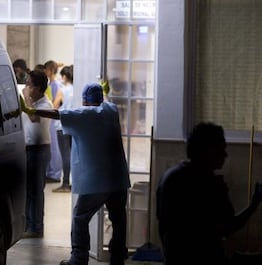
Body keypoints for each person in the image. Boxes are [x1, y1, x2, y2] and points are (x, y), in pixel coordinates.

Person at [20, 82, 131, 265]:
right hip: (118, 178)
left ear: (85, 101)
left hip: (97, 181)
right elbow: (105, 101)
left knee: (80, 216)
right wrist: (105, 89)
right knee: (118, 217)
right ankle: (118, 258)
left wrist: (31, 110)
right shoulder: (111, 110)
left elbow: (56, 113)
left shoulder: (85, 115)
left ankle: (78, 259)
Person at [156, 122, 262, 265]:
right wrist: (254, 204)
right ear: (208, 150)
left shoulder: (169, 177)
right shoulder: (209, 183)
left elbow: (164, 224)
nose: (225, 154)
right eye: (222, 148)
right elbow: (229, 225)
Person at [21, 70, 53, 238]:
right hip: (28, 149)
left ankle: (36, 227)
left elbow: (34, 118)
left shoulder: (45, 105)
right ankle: (27, 225)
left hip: (39, 150)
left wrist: (25, 97)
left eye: (29, 85)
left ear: (39, 88)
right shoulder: (32, 102)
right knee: (27, 190)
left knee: (35, 191)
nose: (26, 88)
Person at [52, 65, 74, 192]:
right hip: (74, 125)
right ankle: (71, 182)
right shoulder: (76, 89)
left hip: (62, 125)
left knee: (65, 154)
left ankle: (65, 183)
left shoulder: (62, 90)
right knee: (72, 154)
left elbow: (54, 107)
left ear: (65, 77)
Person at [44, 59, 63, 183]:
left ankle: (55, 174)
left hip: (54, 119)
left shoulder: (55, 85)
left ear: (50, 70)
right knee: (52, 146)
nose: (45, 71)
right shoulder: (51, 84)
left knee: (55, 147)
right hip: (50, 119)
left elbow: (55, 104)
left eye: (46, 69)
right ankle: (51, 171)